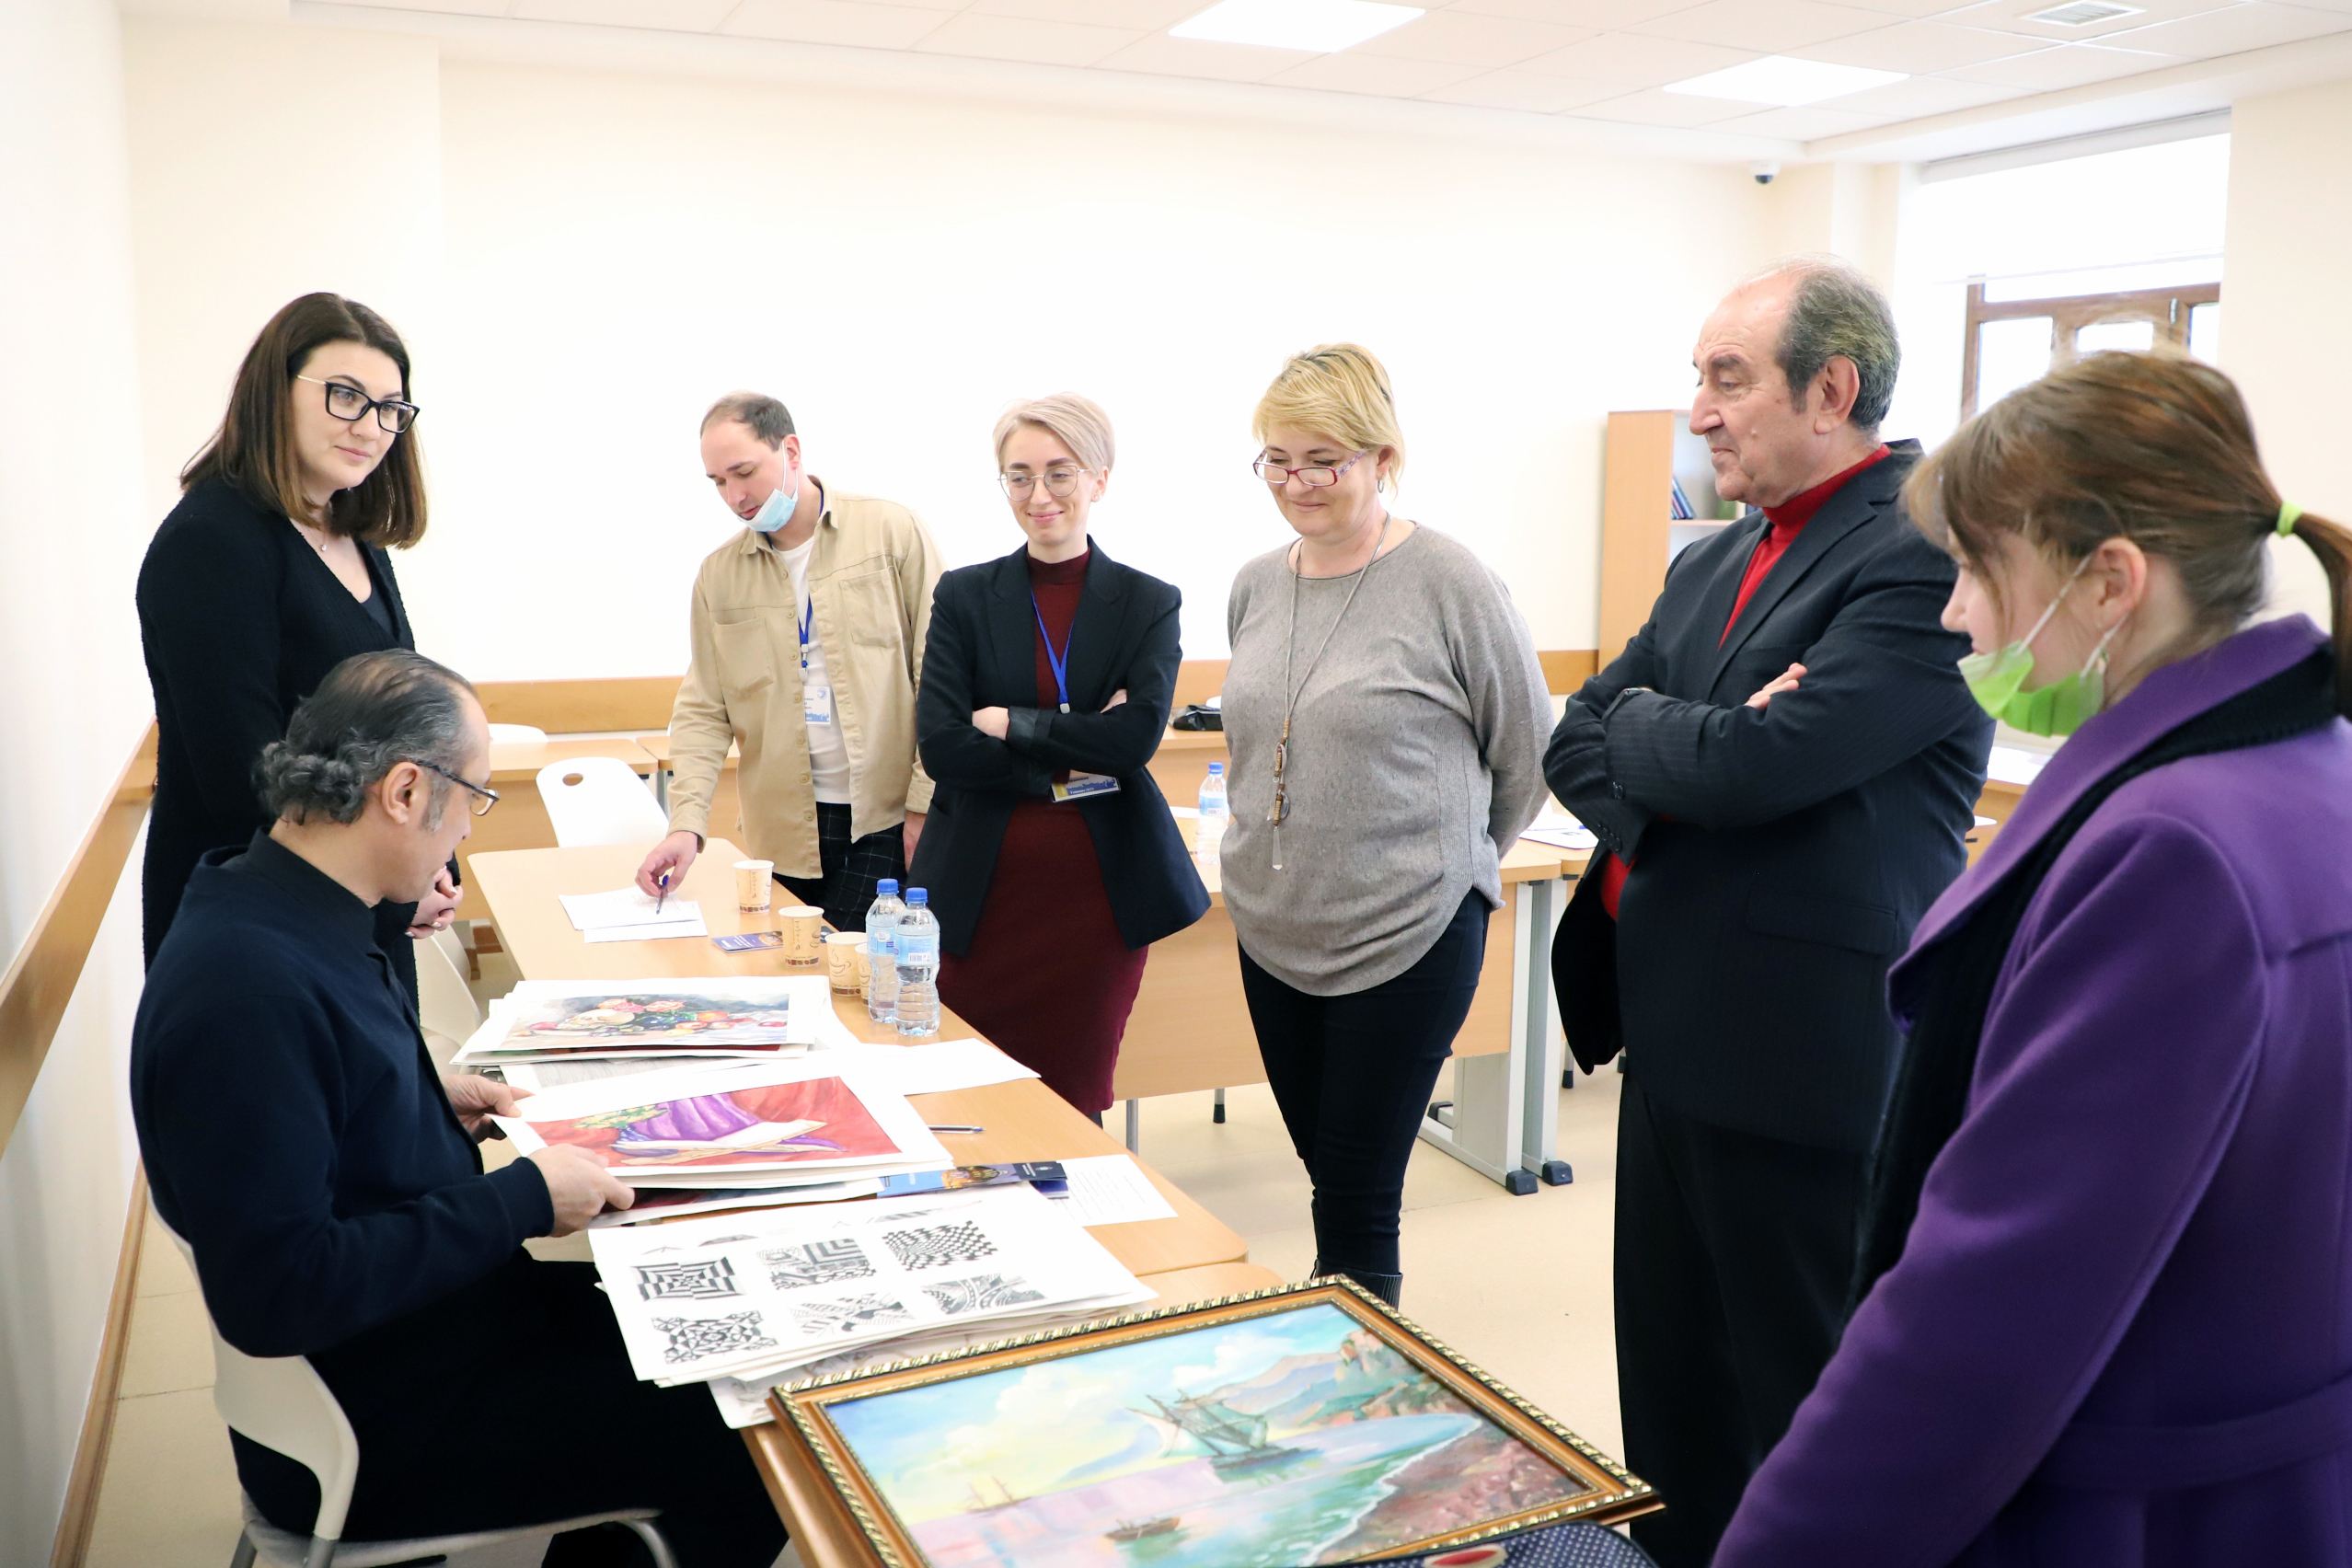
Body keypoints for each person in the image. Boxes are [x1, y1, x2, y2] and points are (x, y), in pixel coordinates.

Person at [1714, 353, 2352, 1566]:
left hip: (2138, 1508)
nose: (1956, 613)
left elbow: (1989, 1305)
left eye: (1978, 568)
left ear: (2110, 581)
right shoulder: (2306, 767)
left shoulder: (2170, 854)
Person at [133, 649, 786, 1568]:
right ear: (405, 791)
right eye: (473, 797)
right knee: (753, 1432)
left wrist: (414, 1097)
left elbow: (314, 1104)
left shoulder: (281, 907)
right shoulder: (250, 990)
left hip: (435, 1327)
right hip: (381, 1413)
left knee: (708, 1322)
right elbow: (279, 1292)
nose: (470, 831)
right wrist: (524, 1199)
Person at [1544, 258, 1989, 1567]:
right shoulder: (1716, 561)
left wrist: (1699, 750)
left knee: (1804, 1408)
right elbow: (1577, 734)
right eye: (1699, 378)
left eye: (1727, 379)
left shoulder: (1926, 551)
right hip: (1671, 1040)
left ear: (1831, 389)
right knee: (1672, 1403)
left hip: (1807, 1059)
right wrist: (1697, 751)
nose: (1700, 412)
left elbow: (1762, 767)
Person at [1219, 344, 1551, 1308]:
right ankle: (1344, 1342)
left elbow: (1529, 752)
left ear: (1382, 457)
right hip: (1275, 928)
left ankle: (1364, 1380)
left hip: (1408, 930)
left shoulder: (1450, 580)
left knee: (1360, 1202)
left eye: (1323, 461)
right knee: (1328, 1172)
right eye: (1278, 461)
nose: (1297, 484)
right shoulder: (1256, 583)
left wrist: (1455, 866)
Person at [136, 292, 459, 1003]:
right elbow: (245, 774)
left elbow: (400, 723)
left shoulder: (353, 534)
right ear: (274, 391)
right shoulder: (212, 540)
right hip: (258, 925)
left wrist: (427, 855)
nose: (370, 427)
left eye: (390, 408)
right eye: (345, 396)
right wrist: (393, 889)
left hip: (358, 901)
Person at [912, 395, 1208, 1118]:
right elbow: (943, 747)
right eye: (1019, 476)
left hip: (1094, 903)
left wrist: (1009, 723)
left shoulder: (1148, 602)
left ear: (1099, 479)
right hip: (979, 893)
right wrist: (1075, 750)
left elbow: (1133, 742)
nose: (1038, 494)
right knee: (966, 1099)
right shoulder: (964, 596)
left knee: (1073, 1103)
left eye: (1059, 473)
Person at [636, 392, 943, 932]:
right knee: (791, 966)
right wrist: (686, 825)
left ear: (791, 451)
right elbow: (704, 709)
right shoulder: (719, 575)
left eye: (744, 472)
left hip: (884, 816)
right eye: (718, 482)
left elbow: (940, 675)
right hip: (782, 829)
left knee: (849, 966)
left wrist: (925, 802)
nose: (735, 496)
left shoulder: (891, 531)